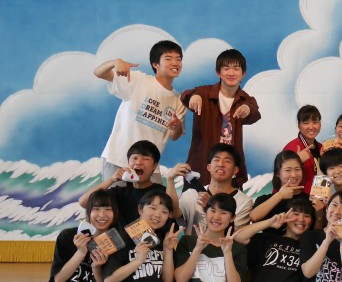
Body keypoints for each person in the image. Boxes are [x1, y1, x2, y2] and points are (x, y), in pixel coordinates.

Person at [93, 39, 186, 179]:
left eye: (178, 59)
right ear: (155, 64)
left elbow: (174, 136)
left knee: (155, 195)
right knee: (113, 194)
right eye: (168, 59)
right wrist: (115, 62)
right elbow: (99, 73)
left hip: (150, 167)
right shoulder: (139, 80)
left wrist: (176, 126)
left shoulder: (179, 100)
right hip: (119, 160)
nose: (175, 63)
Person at [180, 49, 261, 186]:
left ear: (243, 73)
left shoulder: (245, 99)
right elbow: (185, 95)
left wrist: (247, 109)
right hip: (200, 168)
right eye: (226, 68)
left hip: (230, 170)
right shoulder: (204, 93)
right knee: (195, 199)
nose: (231, 73)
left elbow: (255, 113)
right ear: (218, 72)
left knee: (231, 199)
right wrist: (193, 96)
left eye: (236, 68)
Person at [79, 139, 185, 223]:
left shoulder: (162, 192)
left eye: (146, 159)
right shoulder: (118, 192)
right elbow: (84, 202)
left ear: (155, 166)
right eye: (134, 158)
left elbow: (174, 213)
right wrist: (112, 179)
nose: (138, 162)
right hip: (121, 244)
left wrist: (170, 179)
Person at [178, 144, 254, 234]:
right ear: (208, 167)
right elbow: (173, 214)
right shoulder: (191, 194)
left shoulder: (244, 202)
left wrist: (209, 207)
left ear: (235, 170)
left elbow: (235, 236)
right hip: (191, 244)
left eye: (227, 161)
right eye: (216, 160)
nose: (221, 164)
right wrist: (170, 179)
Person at [249, 150, 309, 226]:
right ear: (277, 173)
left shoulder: (309, 200)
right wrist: (280, 195)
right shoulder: (264, 200)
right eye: (288, 170)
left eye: (297, 169)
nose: (294, 175)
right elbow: (253, 217)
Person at [282, 105, 324, 194]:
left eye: (315, 122)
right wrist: (298, 161)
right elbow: (280, 179)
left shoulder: (322, 148)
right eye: (306, 123)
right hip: (296, 199)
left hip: (318, 198)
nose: (311, 127)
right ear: (299, 126)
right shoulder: (291, 147)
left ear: (320, 124)